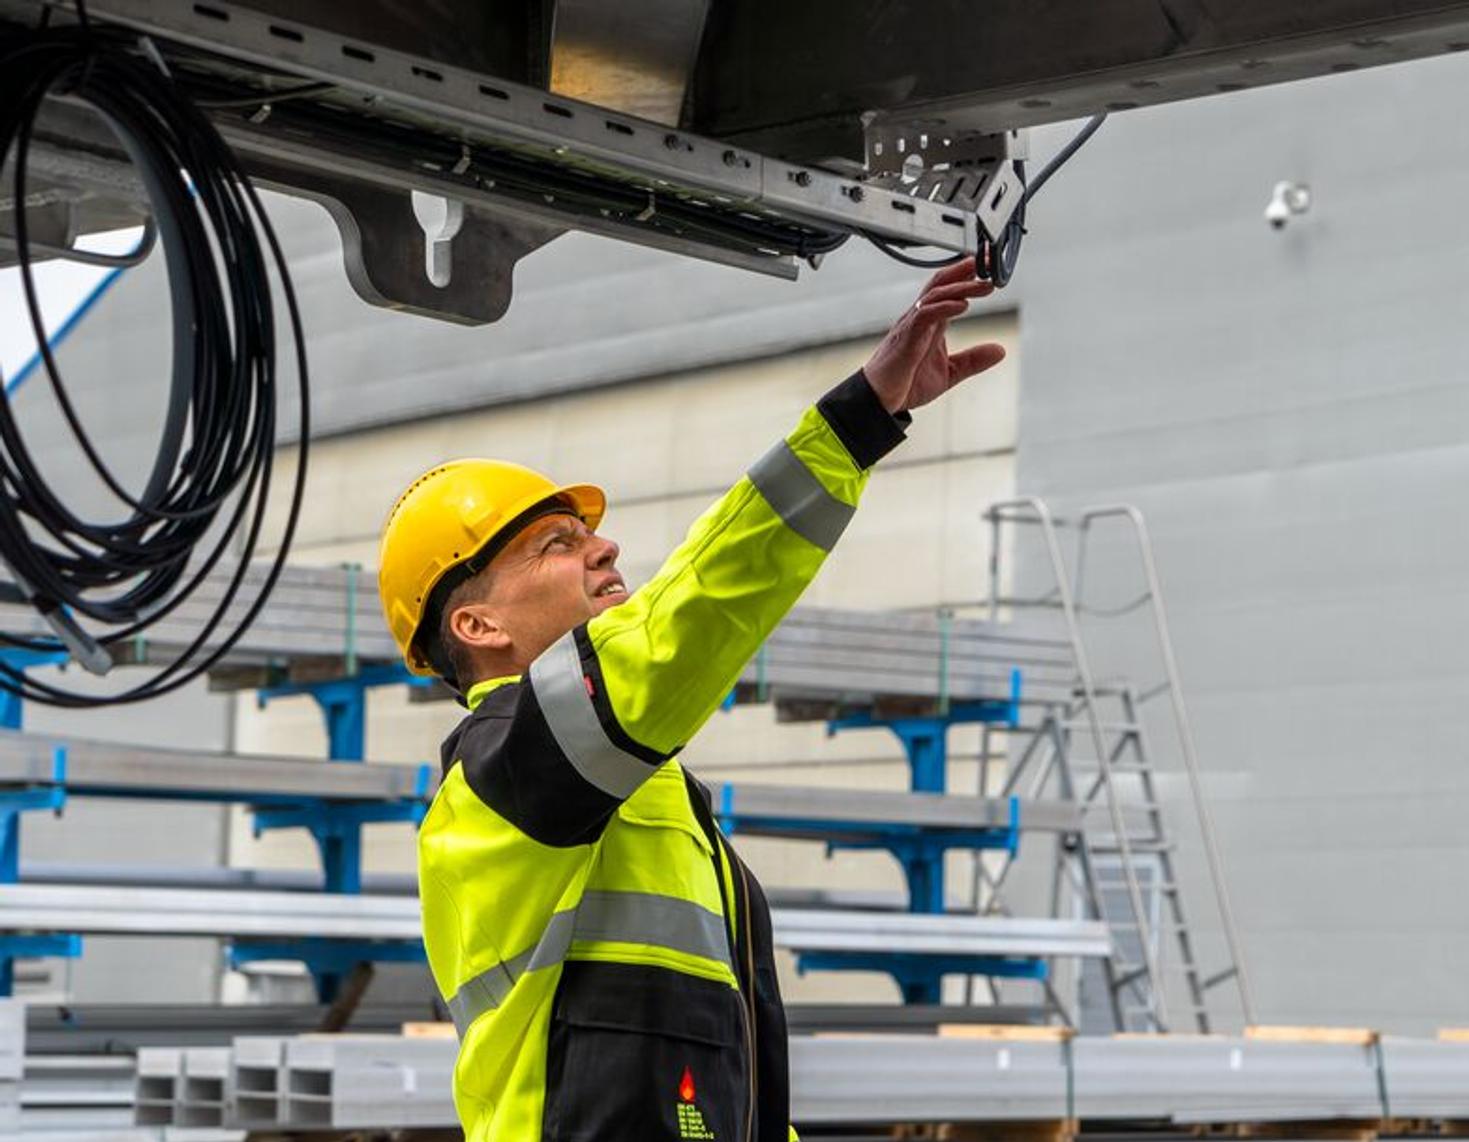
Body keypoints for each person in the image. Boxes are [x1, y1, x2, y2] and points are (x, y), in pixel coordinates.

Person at [374, 261, 1005, 1141]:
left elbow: (718, 1078)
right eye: (558, 543)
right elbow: (692, 616)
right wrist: (854, 423)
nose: (603, 548)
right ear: (477, 624)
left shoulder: (634, 792)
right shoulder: (503, 770)